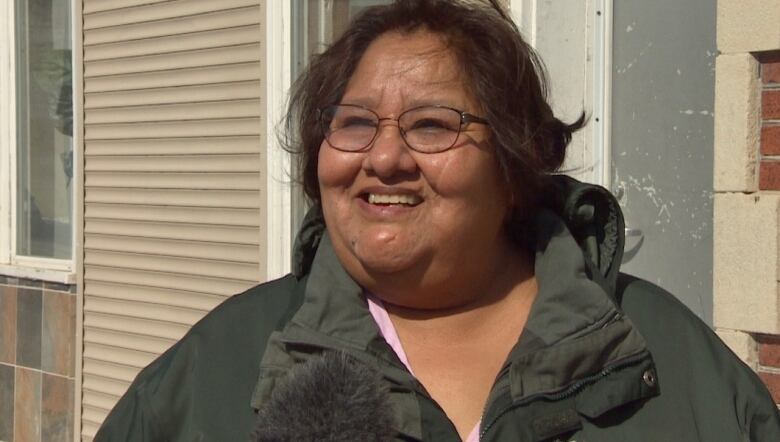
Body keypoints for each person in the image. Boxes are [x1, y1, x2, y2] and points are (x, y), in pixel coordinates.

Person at [94, 1, 780, 441]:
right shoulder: (221, 363)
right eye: (354, 123)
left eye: (430, 125)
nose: (384, 157)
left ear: (515, 161)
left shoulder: (663, 357)